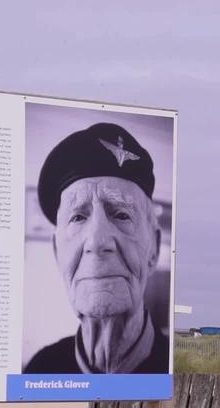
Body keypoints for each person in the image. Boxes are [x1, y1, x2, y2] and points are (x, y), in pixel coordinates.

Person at [24, 122, 169, 374]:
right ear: (58, 254)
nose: (97, 241)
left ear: (154, 249)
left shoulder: (180, 372)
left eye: (122, 214)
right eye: (78, 217)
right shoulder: (41, 368)